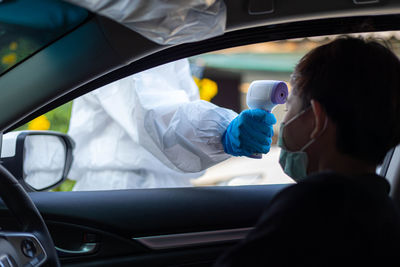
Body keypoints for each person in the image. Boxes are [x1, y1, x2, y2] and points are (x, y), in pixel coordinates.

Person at [214, 37, 400, 266]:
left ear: (317, 118)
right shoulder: (384, 210)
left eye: (288, 107)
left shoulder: (311, 205)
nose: (282, 121)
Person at [68, 58, 276, 190]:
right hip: (122, 189)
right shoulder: (127, 43)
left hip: (149, 188)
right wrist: (222, 132)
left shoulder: (166, 47)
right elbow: (151, 113)